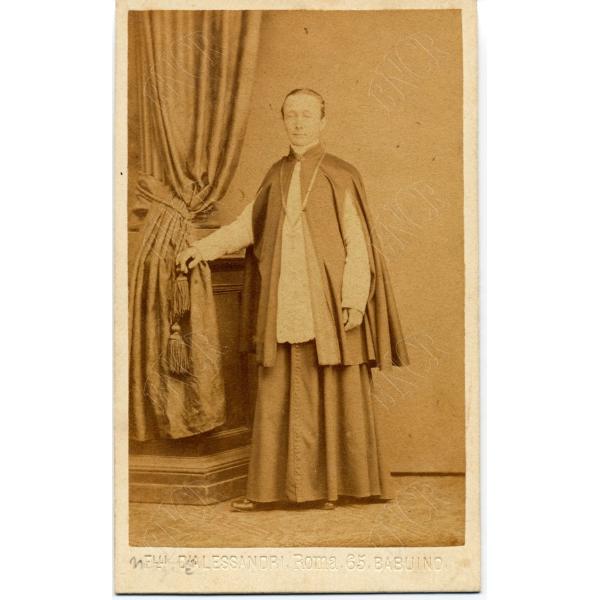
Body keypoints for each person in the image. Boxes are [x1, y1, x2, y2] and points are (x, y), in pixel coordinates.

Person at [176, 88, 408, 511]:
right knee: (280, 386)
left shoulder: (341, 173)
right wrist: (202, 249)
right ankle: (275, 490)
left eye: (307, 114)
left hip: (330, 301)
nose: (298, 122)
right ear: (283, 121)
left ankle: (337, 487)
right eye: (291, 115)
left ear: (323, 120)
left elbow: (358, 243)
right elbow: (246, 227)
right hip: (285, 298)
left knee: (335, 386)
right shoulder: (275, 174)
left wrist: (355, 299)